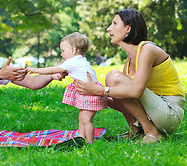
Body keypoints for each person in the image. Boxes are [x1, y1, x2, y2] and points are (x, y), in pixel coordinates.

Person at [75, 9, 185, 144]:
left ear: (128, 29)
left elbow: (136, 91)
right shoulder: (129, 61)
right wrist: (90, 93)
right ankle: (136, 130)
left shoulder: (147, 50)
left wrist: (99, 90)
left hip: (170, 112)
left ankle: (152, 132)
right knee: (113, 81)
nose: (109, 29)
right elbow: (122, 99)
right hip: (155, 110)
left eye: (114, 24)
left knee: (113, 77)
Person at [26, 32, 107, 143]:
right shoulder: (79, 59)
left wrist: (35, 70)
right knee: (82, 117)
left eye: (63, 51)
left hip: (90, 94)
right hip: (89, 93)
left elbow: (52, 70)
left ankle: (90, 142)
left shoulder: (72, 62)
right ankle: (82, 138)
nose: (61, 54)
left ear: (73, 50)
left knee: (87, 120)